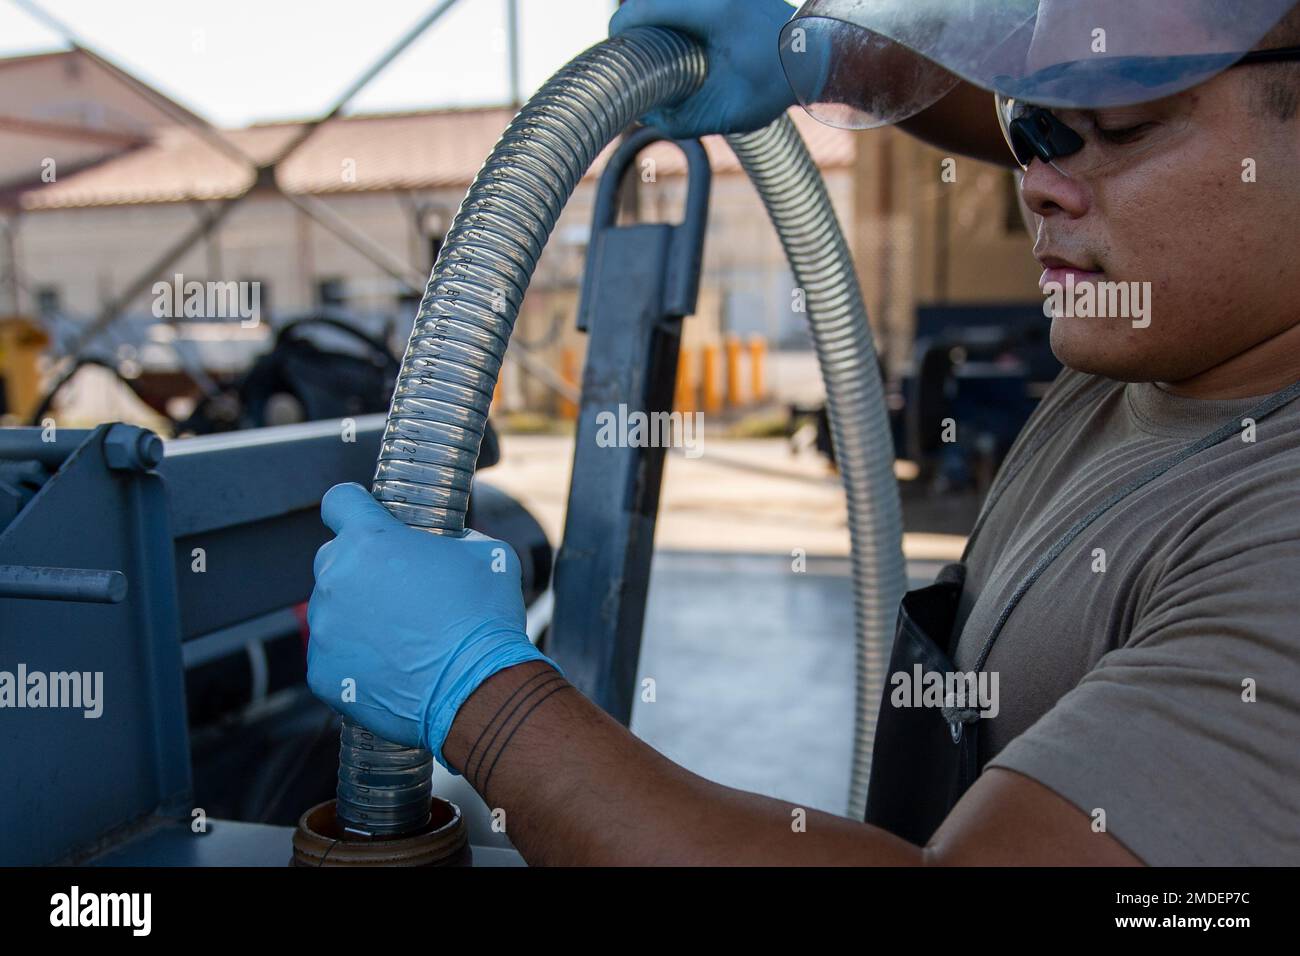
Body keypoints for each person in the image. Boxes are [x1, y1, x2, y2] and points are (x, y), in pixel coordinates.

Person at [306, 0, 1300, 865]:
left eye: (1119, 119)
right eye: (1034, 123)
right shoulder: (1178, 334)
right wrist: (814, 60)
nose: (1035, 177)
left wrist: (483, 701)